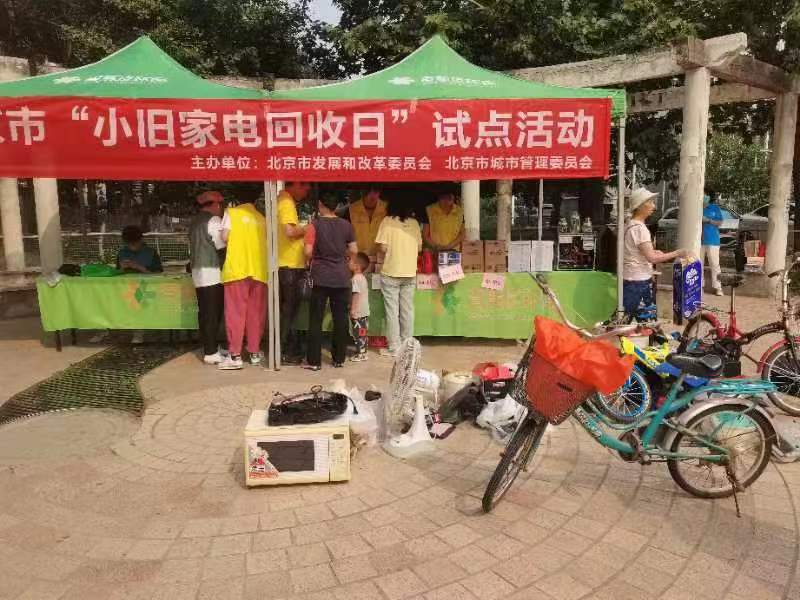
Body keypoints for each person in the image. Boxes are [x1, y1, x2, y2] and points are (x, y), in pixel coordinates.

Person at [303, 194, 357, 371]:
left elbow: (308, 251)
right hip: (341, 276)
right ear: (336, 206)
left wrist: (309, 260)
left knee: (316, 318)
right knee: (340, 318)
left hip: (320, 276)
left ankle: (314, 361)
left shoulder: (314, 225)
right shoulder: (346, 225)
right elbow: (354, 249)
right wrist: (347, 260)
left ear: (321, 205)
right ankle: (339, 359)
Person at [218, 187, 268, 370]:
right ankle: (254, 352)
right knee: (256, 314)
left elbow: (224, 237)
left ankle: (235, 355)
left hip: (237, 270)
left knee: (235, 313)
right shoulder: (262, 218)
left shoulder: (231, 213)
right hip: (259, 271)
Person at [623, 188, 688, 320]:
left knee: (632, 320)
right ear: (640, 206)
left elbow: (637, 252)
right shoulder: (640, 229)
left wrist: (653, 252)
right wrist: (677, 253)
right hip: (639, 282)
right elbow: (652, 258)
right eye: (650, 202)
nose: (654, 206)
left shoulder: (630, 225)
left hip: (632, 279)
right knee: (645, 322)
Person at [375, 200, 422, 357]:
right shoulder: (414, 223)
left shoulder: (387, 221)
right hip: (410, 272)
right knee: (407, 310)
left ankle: (395, 347)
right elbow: (419, 247)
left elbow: (382, 247)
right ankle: (407, 346)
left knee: (392, 311)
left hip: (391, 271)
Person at [105, 225, 162, 345]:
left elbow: (158, 274)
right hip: (125, 286)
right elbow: (117, 272)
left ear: (141, 239)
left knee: (137, 299)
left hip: (147, 287)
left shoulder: (151, 253)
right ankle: (105, 329)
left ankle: (138, 331)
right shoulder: (122, 252)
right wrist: (122, 268)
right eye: (129, 244)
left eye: (134, 243)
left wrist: (139, 267)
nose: (132, 246)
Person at [189, 190, 227, 365]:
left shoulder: (195, 221)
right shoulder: (214, 220)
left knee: (205, 312)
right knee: (213, 313)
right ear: (216, 204)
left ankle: (210, 347)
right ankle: (211, 352)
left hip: (198, 271)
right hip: (212, 271)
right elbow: (221, 245)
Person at [277, 181, 311, 362]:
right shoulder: (286, 202)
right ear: (295, 184)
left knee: (289, 310)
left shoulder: (284, 201)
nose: (307, 191)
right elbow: (289, 231)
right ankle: (287, 350)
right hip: (289, 264)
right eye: (304, 187)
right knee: (289, 310)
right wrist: (308, 228)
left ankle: (287, 347)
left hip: (288, 263)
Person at [348, 186, 387, 258]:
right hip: (358, 258)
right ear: (362, 192)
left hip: (380, 258)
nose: (372, 195)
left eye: (375, 191)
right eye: (368, 191)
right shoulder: (351, 209)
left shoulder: (387, 209)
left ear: (380, 191)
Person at [700, 193, 724, 296]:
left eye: (706, 195)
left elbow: (720, 222)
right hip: (699, 241)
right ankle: (699, 287)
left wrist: (708, 220)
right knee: (698, 264)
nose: (704, 196)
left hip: (713, 240)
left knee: (714, 264)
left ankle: (718, 287)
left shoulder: (714, 208)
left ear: (709, 197)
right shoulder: (697, 207)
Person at [349, 252, 371, 362]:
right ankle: (363, 352)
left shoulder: (355, 279)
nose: (348, 262)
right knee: (363, 332)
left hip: (358, 312)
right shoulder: (362, 277)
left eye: (350, 261)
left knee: (358, 333)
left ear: (356, 266)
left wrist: (353, 310)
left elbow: (356, 294)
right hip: (364, 311)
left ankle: (361, 354)